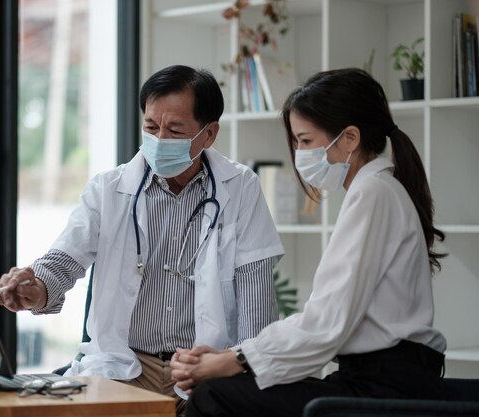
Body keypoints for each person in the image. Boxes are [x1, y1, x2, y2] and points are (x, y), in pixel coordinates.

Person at [0, 65, 284, 412]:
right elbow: (63, 262)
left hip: (202, 369)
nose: (159, 139)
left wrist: (240, 366)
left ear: (208, 134)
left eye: (175, 130)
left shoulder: (241, 188)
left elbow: (256, 294)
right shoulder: (109, 189)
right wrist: (33, 288)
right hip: (124, 367)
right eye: (150, 127)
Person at [170, 68, 447, 417]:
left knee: (217, 395)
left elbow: (326, 322)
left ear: (349, 138)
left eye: (305, 141)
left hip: (385, 385)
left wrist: (234, 359)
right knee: (223, 390)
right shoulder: (376, 190)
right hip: (380, 377)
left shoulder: (373, 193)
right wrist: (234, 358)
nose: (299, 154)